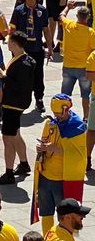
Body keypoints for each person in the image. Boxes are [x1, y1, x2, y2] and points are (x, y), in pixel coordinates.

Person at [34, 96, 87, 233]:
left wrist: (54, 149)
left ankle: (63, 240)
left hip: (62, 180)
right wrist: (41, 147)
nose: (56, 116)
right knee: (46, 213)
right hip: (45, 176)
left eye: (58, 113)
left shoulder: (77, 127)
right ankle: (47, 240)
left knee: (65, 216)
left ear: (66, 109)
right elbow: (44, 140)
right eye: (55, 113)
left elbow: (78, 155)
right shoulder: (50, 123)